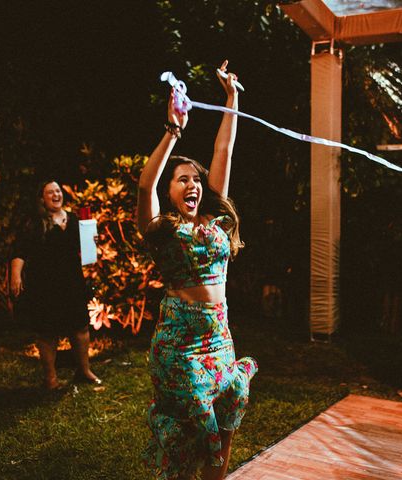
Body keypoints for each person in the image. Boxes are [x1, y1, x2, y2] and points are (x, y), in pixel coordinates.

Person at [137, 61, 257, 480]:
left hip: (218, 337)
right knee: (189, 437)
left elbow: (223, 151)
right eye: (181, 180)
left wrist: (232, 97)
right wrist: (174, 131)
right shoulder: (162, 231)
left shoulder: (214, 222)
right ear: (170, 193)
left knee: (224, 426)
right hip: (180, 344)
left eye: (195, 179)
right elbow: (144, 186)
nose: (191, 185)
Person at [10, 180, 101, 390]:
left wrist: (92, 240)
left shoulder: (74, 219)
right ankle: (50, 378)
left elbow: (87, 252)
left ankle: (83, 370)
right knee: (47, 331)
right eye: (50, 192)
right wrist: (15, 276)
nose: (56, 194)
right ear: (42, 198)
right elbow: (19, 251)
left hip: (72, 282)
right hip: (44, 285)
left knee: (80, 327)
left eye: (58, 190)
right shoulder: (34, 223)